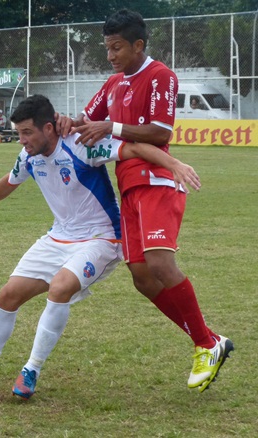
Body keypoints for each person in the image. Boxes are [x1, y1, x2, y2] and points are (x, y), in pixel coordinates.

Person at [0, 95, 200, 399]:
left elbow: (132, 148)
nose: (22, 140)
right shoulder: (29, 155)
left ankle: (31, 370)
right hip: (58, 237)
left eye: (27, 133)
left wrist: (173, 163)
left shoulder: (81, 145)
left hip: (101, 238)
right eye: (19, 133)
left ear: (49, 128)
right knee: (7, 295)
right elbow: (10, 180)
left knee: (60, 287)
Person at [56, 9, 233, 393]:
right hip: (128, 188)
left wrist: (112, 126)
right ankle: (211, 339)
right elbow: (87, 119)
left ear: (138, 44)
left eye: (117, 48)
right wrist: (66, 122)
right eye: (107, 48)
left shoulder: (161, 76)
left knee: (159, 262)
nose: (111, 56)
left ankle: (205, 344)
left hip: (156, 181)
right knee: (140, 276)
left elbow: (160, 131)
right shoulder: (114, 83)